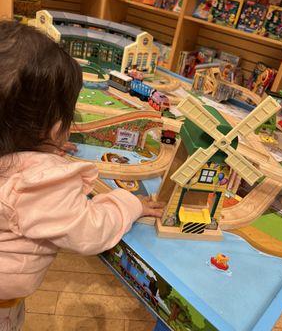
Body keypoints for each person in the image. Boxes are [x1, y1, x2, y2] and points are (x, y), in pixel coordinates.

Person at [0, 21, 163, 330]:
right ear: (54, 129)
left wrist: (40, 151)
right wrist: (131, 204)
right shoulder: (38, 184)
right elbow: (91, 231)